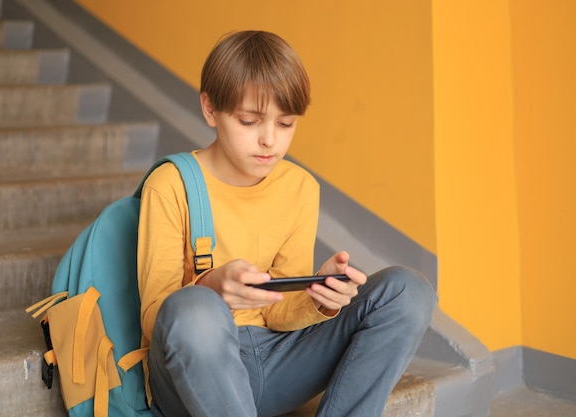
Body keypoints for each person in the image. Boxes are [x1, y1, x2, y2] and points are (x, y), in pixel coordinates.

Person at [137, 30, 436, 417]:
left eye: (286, 124)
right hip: (195, 374)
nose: (269, 141)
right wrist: (210, 287)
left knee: (408, 291)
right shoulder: (171, 184)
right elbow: (153, 321)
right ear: (210, 109)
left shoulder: (299, 187)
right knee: (195, 310)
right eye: (249, 121)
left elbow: (278, 314)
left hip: (279, 362)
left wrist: (318, 299)